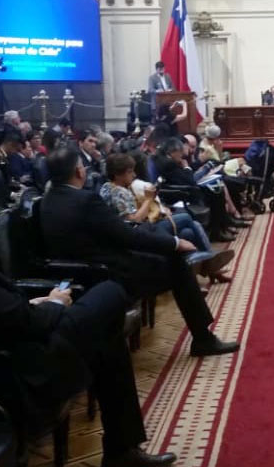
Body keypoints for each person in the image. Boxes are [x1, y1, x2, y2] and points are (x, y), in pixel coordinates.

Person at [0, 199, 177, 467]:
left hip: (15, 345)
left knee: (107, 336)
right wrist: (54, 303)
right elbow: (26, 323)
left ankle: (122, 449)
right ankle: (121, 450)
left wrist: (34, 303)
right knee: (110, 293)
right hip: (19, 366)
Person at [40, 147, 239, 357]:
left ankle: (202, 280)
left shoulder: (48, 200)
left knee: (166, 253)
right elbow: (125, 235)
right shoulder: (86, 200)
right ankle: (203, 339)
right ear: (79, 172)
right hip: (107, 273)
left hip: (77, 271)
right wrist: (173, 243)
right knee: (176, 263)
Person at [99, 153, 233, 281]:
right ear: (117, 174)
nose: (133, 175)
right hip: (139, 232)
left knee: (188, 232)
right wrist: (148, 200)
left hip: (138, 229)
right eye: (129, 172)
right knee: (185, 217)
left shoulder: (106, 187)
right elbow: (134, 220)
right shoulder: (120, 192)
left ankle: (195, 275)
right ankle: (211, 263)